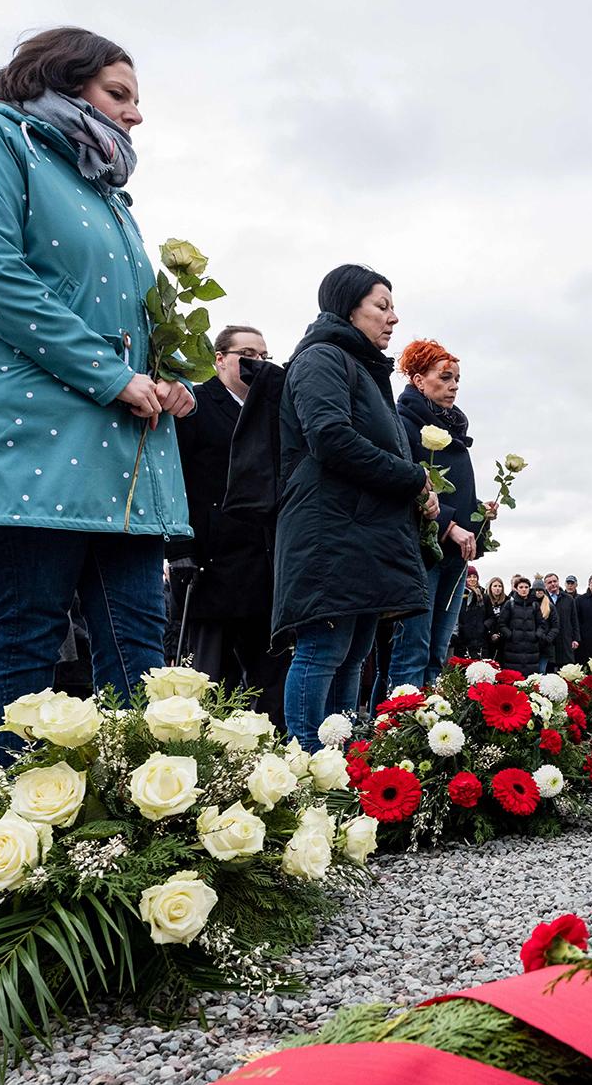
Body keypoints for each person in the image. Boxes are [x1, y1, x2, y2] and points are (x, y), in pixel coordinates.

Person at [0, 28, 195, 765]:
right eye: (119, 95)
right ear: (58, 81)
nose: (136, 115)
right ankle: (11, 831)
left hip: (124, 455)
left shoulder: (109, 193)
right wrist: (113, 376)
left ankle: (135, 828)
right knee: (28, 630)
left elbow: (131, 317)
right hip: (26, 437)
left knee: (138, 638)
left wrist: (171, 378)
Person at [273, 265, 436, 748]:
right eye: (381, 306)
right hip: (330, 531)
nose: (393, 318)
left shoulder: (364, 368)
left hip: (360, 531)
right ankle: (305, 757)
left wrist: (416, 493)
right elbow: (330, 436)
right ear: (348, 307)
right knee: (324, 648)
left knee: (354, 650)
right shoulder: (323, 358)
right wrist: (410, 479)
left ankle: (342, 754)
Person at [168, 325, 288, 718]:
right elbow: (177, 476)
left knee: (269, 673)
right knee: (210, 674)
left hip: (263, 559)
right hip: (212, 559)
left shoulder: (270, 412)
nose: (257, 364)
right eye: (248, 354)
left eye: (264, 357)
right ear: (220, 359)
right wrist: (178, 547)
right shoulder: (197, 404)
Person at [390, 339, 494, 689]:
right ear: (419, 380)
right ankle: (388, 731)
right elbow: (407, 484)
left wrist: (480, 515)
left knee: (436, 654)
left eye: (457, 380)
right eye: (445, 377)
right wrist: (448, 524)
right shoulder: (402, 423)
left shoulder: (453, 430)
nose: (453, 387)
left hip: (455, 557)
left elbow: (456, 488)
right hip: (422, 552)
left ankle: (423, 738)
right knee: (411, 652)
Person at [488, 576, 556, 673]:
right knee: (514, 678)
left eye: (526, 587)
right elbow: (502, 623)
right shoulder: (509, 604)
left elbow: (541, 624)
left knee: (530, 681)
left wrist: (537, 635)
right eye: (521, 587)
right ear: (516, 588)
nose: (524, 590)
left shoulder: (534, 605)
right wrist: (510, 635)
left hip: (531, 649)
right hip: (513, 648)